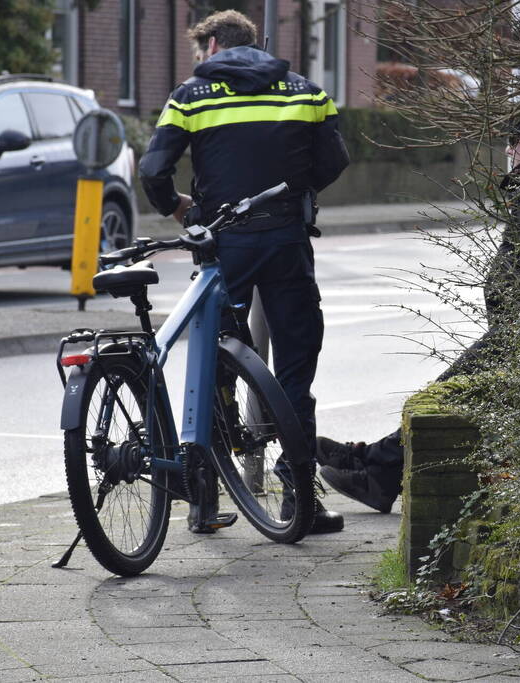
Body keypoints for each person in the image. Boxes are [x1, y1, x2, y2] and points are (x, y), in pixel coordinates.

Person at [139, 10, 350, 534]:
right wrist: (295, 194)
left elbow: (152, 170)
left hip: (222, 243)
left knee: (214, 359)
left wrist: (180, 209)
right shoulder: (306, 91)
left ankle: (205, 499)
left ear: (212, 45)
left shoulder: (191, 96)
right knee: (297, 363)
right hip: (285, 240)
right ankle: (300, 497)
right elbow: (336, 160)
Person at [317, 116, 520, 513]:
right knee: (447, 392)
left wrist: (509, 328)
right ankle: (372, 460)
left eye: (517, 140)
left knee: (449, 395)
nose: (510, 150)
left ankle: (378, 473)